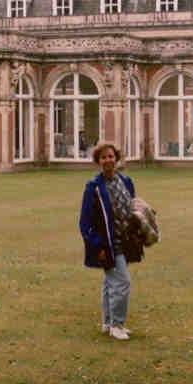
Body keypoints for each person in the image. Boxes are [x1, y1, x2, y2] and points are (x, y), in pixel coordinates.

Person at [79, 142, 143, 341]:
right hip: (108, 243)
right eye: (104, 157)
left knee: (110, 283)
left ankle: (107, 323)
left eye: (111, 156)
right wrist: (96, 245)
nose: (108, 160)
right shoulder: (93, 187)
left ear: (116, 158)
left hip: (125, 240)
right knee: (122, 282)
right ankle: (117, 325)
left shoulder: (126, 181)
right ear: (98, 161)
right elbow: (85, 222)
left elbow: (132, 206)